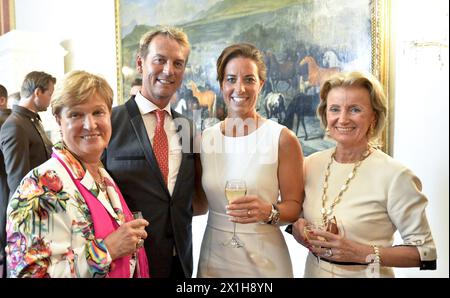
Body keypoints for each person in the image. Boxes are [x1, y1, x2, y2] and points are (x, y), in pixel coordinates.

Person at [291, 71, 437, 277]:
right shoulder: (310, 164)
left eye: (354, 109)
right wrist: (297, 228)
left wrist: (360, 253)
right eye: (334, 109)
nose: (342, 119)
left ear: (373, 117)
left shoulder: (396, 176)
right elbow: (297, 215)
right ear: (326, 115)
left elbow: (425, 254)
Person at [5, 70, 150, 278]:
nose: (90, 125)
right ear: (58, 120)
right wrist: (107, 250)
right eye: (76, 114)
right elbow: (28, 275)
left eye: (98, 112)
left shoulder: (102, 175)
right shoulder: (39, 187)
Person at [196, 43, 304, 277]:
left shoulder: (283, 139)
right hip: (213, 259)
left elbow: (294, 207)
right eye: (231, 79)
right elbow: (196, 203)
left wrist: (270, 212)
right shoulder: (204, 139)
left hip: (265, 261)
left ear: (261, 84)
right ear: (222, 85)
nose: (240, 88)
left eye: (249, 79)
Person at [103, 26, 201, 278]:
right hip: (129, 263)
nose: (169, 70)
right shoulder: (109, 123)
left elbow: (190, 195)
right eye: (160, 60)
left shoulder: (188, 128)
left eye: (178, 63)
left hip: (180, 262)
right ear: (140, 63)